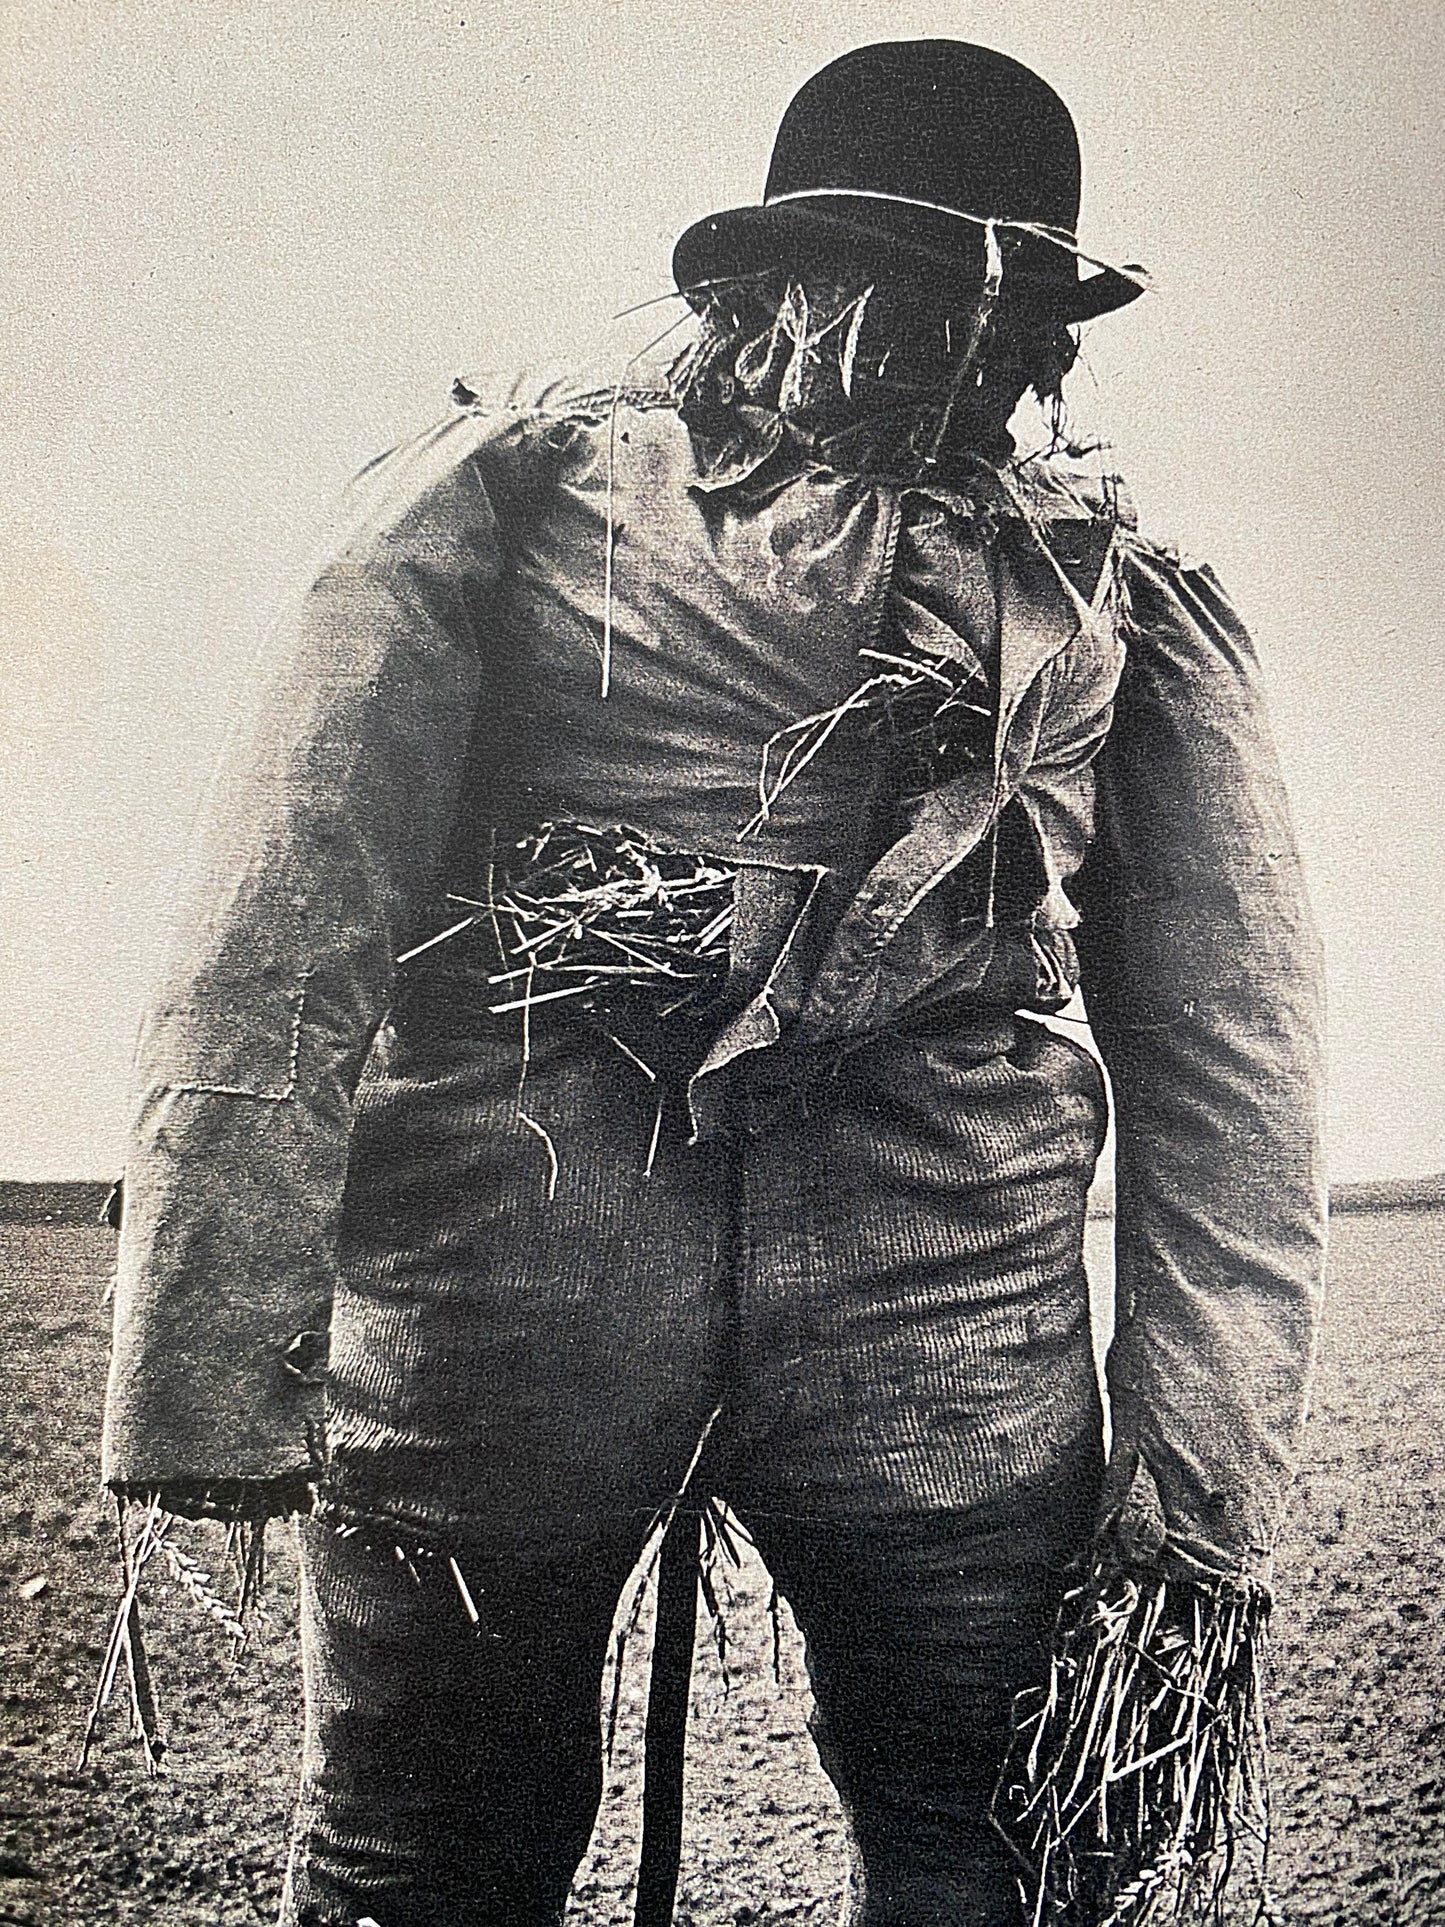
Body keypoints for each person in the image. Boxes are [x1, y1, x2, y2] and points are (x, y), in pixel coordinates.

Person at [100, 39, 1327, 1927]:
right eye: (907, 286)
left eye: (997, 306)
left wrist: (1195, 1489)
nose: (966, 343)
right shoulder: (514, 500)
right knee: (425, 1853)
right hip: (510, 1287)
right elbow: (285, 916)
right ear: (772, 284)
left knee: (983, 1851)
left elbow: (1229, 1050)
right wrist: (207, 1369)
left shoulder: (1110, 598)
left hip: (944, 1307)